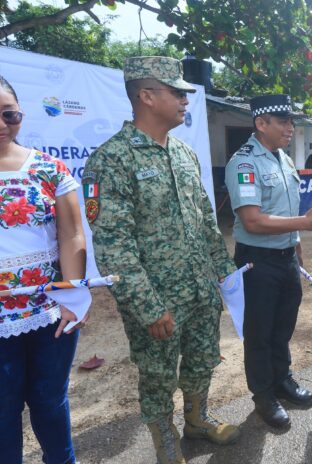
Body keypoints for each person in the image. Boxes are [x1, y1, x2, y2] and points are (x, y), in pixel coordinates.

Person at [85, 56, 239, 464]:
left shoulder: (184, 153)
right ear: (147, 96)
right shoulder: (112, 159)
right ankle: (164, 439)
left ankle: (197, 419)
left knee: (204, 356)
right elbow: (113, 247)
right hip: (157, 300)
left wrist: (224, 273)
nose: (186, 99)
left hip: (199, 289)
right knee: (157, 375)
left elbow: (207, 218)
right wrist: (149, 307)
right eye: (176, 91)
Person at [225, 94, 312, 428]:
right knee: (260, 332)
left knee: (282, 327)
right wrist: (304, 224)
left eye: (291, 121)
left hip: (286, 258)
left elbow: (284, 209)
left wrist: (297, 246)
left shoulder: (282, 159)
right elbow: (253, 221)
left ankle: (282, 379)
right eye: (284, 121)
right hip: (258, 261)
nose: (290, 128)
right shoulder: (244, 163)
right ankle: (263, 395)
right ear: (261, 123)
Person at [0, 76, 87, 464]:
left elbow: (71, 236)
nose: (2, 125)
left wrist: (73, 299)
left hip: (49, 312)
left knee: (50, 401)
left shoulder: (50, 169)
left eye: (9, 114)